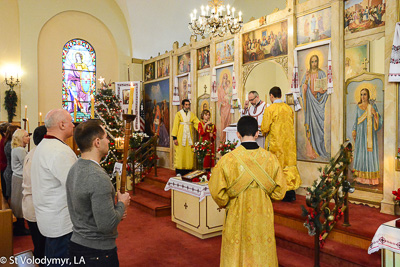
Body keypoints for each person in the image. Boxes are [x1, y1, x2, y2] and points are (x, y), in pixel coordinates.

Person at [209, 116, 287, 267]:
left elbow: (217, 191)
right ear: (257, 134)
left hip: (236, 213)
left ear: (238, 134)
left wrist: (227, 203)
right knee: (261, 250)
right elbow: (280, 192)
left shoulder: (227, 160)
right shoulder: (271, 159)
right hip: (262, 214)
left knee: (236, 249)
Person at [67, 120, 130, 267]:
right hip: (97, 252)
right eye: (106, 137)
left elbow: (85, 207)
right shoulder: (97, 177)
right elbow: (107, 225)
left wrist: (116, 212)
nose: (109, 141)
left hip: (77, 244)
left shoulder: (75, 167)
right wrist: (122, 204)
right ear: (97, 142)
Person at [31, 109, 77, 265]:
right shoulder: (59, 151)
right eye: (71, 121)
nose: (73, 125)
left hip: (48, 217)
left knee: (52, 257)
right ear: (62, 124)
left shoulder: (44, 145)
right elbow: (75, 186)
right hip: (61, 223)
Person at [261, 86, 301, 202]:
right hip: (288, 145)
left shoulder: (270, 109)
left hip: (276, 144)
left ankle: (278, 192)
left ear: (271, 96)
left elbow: (264, 128)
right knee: (288, 166)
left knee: (276, 167)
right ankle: (290, 193)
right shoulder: (288, 109)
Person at [22, 126, 47, 261]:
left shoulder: (32, 152)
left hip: (31, 203)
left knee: (39, 245)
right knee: (41, 247)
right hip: (36, 204)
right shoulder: (40, 155)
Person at [300, 54, 329, 160]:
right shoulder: (306, 74)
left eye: (316, 61)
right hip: (310, 105)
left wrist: (322, 91)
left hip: (318, 103)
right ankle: (311, 151)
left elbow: (325, 89)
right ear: (310, 63)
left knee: (319, 128)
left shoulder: (321, 73)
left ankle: (320, 150)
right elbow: (302, 89)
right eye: (312, 61)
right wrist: (307, 79)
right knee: (310, 127)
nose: (314, 63)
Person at [352, 88, 383, 185]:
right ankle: (360, 179)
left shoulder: (372, 106)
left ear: (368, 95)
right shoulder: (358, 107)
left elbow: (379, 122)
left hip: (370, 135)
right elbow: (356, 120)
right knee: (361, 153)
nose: (363, 97)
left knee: (369, 155)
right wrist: (354, 130)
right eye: (361, 95)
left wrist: (375, 114)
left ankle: (371, 180)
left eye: (364, 94)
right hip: (361, 135)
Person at [171, 99, 200, 175]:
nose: (187, 106)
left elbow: (197, 123)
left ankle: (188, 169)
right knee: (180, 154)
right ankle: (179, 171)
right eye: (186, 105)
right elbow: (175, 126)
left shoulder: (191, 114)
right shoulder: (179, 114)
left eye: (188, 105)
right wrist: (175, 138)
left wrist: (204, 127)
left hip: (189, 138)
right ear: (183, 105)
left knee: (189, 153)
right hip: (180, 137)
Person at [10, 129, 30, 236]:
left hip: (16, 177)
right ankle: (19, 228)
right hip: (19, 178)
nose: (29, 138)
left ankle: (20, 226)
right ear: (21, 138)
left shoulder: (16, 149)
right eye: (26, 136)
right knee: (19, 203)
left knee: (18, 202)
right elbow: (26, 166)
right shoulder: (20, 150)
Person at [3, 125, 20, 200]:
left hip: (10, 170)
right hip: (10, 172)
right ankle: (10, 211)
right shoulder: (10, 144)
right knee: (11, 195)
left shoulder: (10, 143)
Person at [218, 72, 232, 141]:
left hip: (228, 108)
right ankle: (222, 140)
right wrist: (222, 102)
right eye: (224, 78)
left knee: (228, 123)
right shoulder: (220, 89)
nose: (225, 80)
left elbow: (231, 97)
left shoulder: (229, 88)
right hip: (223, 109)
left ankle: (227, 141)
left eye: (226, 78)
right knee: (223, 124)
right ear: (222, 79)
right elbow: (219, 99)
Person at [0, 122, 10, 198]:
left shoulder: (4, 141)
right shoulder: (4, 142)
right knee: (6, 191)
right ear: (4, 132)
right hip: (5, 166)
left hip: (4, 166)